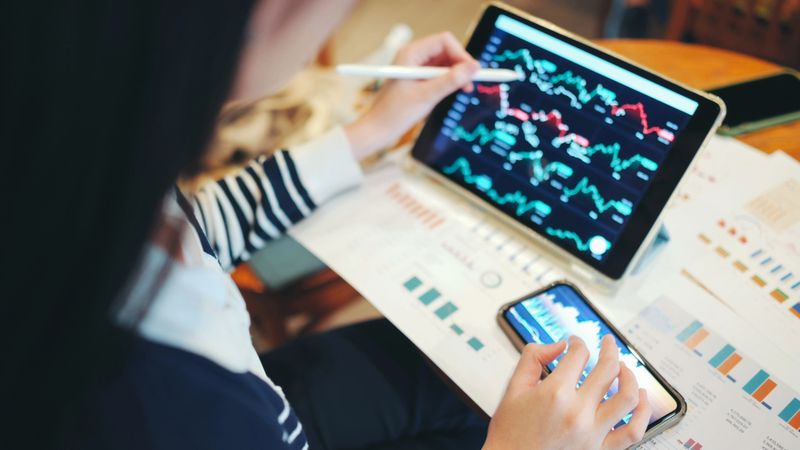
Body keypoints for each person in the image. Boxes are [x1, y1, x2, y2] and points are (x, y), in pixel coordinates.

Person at [4, 1, 651, 449]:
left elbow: (200, 226)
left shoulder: (78, 174)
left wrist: (369, 131)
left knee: (462, 377)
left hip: (268, 401)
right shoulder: (167, 411)